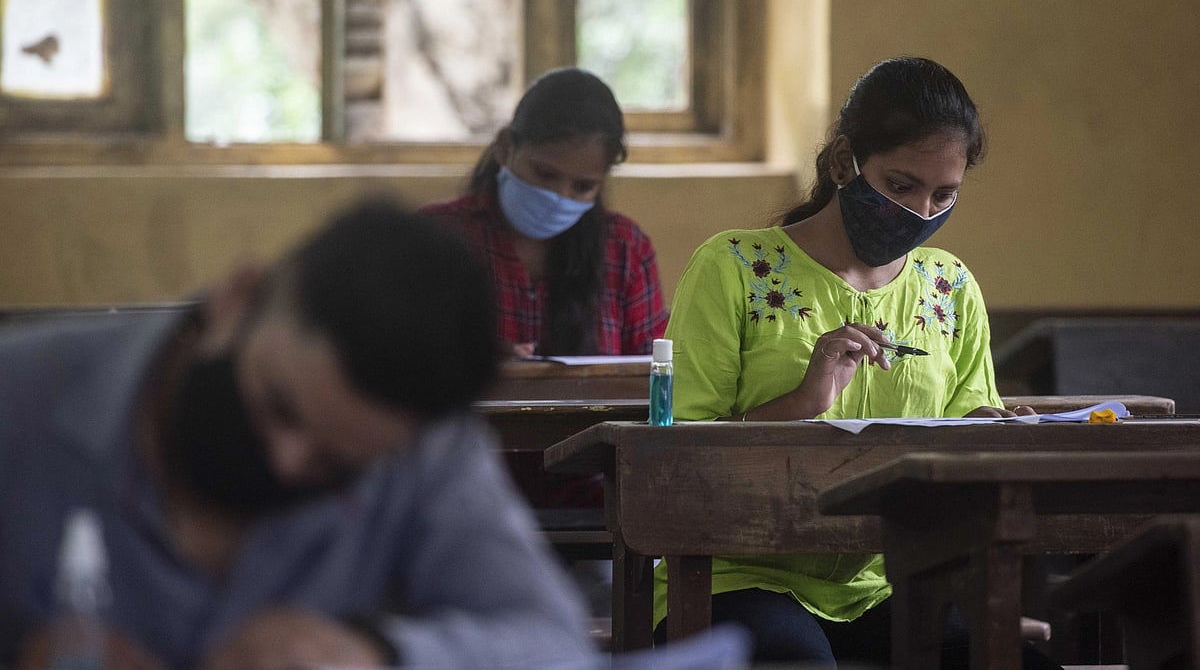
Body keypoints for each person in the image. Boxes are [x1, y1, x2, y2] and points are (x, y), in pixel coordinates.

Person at [0, 199, 595, 669]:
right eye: (277, 407)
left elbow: (556, 645)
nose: (286, 462)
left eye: (336, 462)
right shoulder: (22, 397)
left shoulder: (428, 449)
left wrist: (374, 654)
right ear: (238, 298)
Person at [652, 57, 1060, 668]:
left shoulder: (949, 286)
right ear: (844, 161)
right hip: (737, 572)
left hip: (890, 581)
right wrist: (801, 405)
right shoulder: (734, 267)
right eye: (900, 186)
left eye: (944, 195)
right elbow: (675, 459)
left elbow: (962, 426)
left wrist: (992, 429)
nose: (922, 211)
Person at [421, 67, 668, 359]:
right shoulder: (435, 238)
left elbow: (654, 377)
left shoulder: (625, 249)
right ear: (505, 147)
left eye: (583, 186)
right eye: (545, 174)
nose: (560, 197)